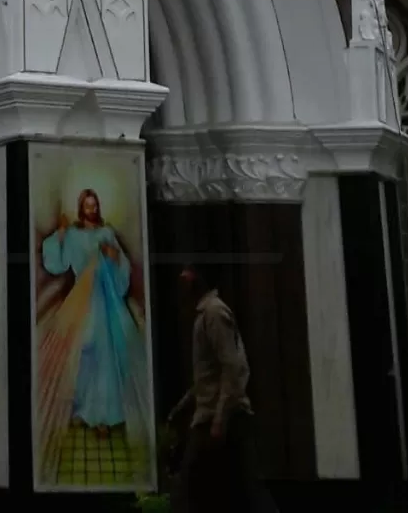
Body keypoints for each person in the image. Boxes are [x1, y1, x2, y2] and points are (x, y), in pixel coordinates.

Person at [36, 187, 150, 484]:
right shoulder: (73, 234)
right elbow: (56, 262)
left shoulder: (106, 232)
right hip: (82, 300)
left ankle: (103, 415)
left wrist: (112, 256)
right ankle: (84, 407)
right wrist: (60, 234)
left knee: (106, 352)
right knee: (82, 350)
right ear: (81, 208)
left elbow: (121, 264)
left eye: (94, 204)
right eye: (86, 205)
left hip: (106, 299)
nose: (91, 209)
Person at [169, 267, 275, 513]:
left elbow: (234, 367)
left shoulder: (214, 313)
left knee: (191, 489)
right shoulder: (204, 315)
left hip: (222, 418)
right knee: (239, 491)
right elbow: (208, 377)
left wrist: (220, 418)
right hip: (214, 415)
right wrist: (183, 405)